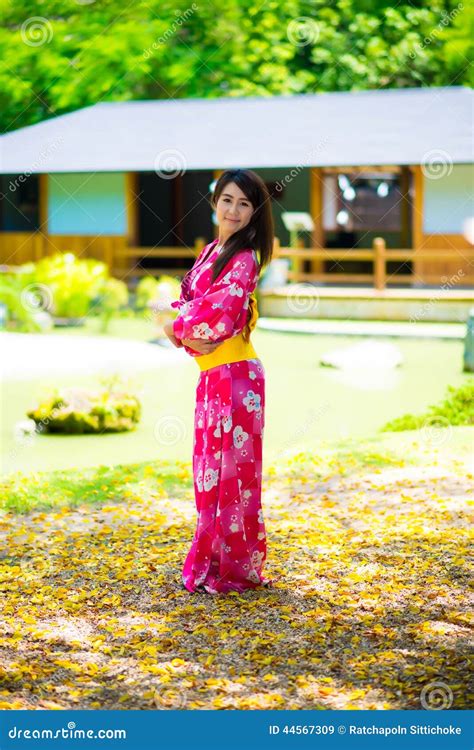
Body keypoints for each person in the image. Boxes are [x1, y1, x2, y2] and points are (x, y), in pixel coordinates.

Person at [163, 169, 274, 594]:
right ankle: (214, 561)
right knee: (209, 471)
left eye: (244, 204)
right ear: (215, 202)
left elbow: (219, 317)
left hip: (237, 377)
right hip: (213, 377)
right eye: (227, 200)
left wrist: (175, 327)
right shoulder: (212, 250)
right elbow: (188, 300)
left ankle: (234, 568)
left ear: (254, 213)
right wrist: (180, 325)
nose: (233, 210)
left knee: (233, 475)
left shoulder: (245, 259)